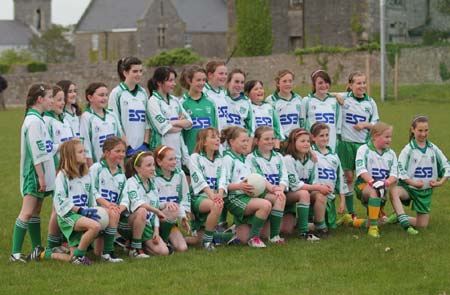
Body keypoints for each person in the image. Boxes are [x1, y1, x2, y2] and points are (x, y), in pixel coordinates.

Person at [10, 83, 56, 263]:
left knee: (36, 211)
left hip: (39, 173)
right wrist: (41, 176)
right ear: (39, 99)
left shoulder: (39, 119)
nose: (51, 101)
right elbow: (37, 152)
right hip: (34, 174)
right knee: (27, 212)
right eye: (50, 97)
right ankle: (15, 254)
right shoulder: (33, 121)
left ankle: (37, 248)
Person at [388, 116, 450, 233]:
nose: (423, 134)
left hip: (424, 192)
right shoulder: (408, 150)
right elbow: (400, 170)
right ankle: (405, 223)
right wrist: (413, 183)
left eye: (426, 130)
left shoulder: (433, 149)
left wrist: (440, 182)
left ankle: (398, 217)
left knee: (422, 226)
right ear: (413, 130)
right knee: (394, 191)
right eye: (420, 130)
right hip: (409, 188)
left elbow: (447, 166)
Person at [335, 71, 379, 219]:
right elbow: (326, 94)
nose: (362, 86)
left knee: (367, 178)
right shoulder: (345, 97)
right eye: (358, 83)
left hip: (363, 146)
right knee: (348, 177)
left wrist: (366, 125)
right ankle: (352, 212)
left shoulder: (370, 102)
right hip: (346, 144)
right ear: (350, 85)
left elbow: (377, 124)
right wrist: (336, 96)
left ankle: (375, 209)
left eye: (364, 83)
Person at [343, 122, 398, 238]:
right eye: (386, 137)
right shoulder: (364, 149)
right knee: (374, 192)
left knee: (378, 221)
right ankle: (373, 230)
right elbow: (361, 170)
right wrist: (373, 183)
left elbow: (394, 174)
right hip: (363, 185)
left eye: (390, 137)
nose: (390, 140)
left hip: (382, 188)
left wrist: (386, 182)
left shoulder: (391, 154)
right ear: (375, 136)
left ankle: (350, 221)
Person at [219, 126, 271, 247]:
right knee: (265, 205)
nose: (246, 144)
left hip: (246, 196)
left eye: (247, 141)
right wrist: (239, 186)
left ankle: (231, 232)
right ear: (231, 142)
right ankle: (254, 239)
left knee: (241, 238)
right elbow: (222, 184)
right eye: (243, 141)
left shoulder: (245, 159)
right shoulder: (227, 159)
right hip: (234, 198)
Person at [53, 139, 101, 265]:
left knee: (70, 257)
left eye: (84, 151)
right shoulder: (62, 175)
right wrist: (80, 210)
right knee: (94, 226)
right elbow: (60, 200)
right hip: (68, 216)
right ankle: (79, 257)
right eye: (80, 152)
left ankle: (46, 254)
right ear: (70, 156)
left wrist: (93, 209)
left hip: (82, 214)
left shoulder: (87, 174)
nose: (84, 154)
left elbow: (91, 196)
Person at [282, 128, 330, 240]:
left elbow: (314, 181)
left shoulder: (311, 159)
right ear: (293, 143)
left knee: (320, 194)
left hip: (304, 194)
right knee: (286, 230)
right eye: (302, 141)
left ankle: (321, 227)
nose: (306, 144)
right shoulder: (288, 159)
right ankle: (303, 231)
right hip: (286, 196)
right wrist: (318, 187)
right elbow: (295, 185)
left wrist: (321, 188)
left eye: (308, 141)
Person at [44, 85, 75, 253]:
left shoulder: (64, 118)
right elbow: (46, 148)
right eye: (58, 99)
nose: (62, 103)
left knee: (64, 206)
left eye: (63, 99)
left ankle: (61, 242)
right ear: (50, 101)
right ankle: (51, 246)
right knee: (57, 208)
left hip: (69, 169)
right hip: (57, 170)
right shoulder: (47, 121)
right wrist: (62, 146)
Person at [121, 151, 169, 257]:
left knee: (164, 252)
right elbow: (138, 203)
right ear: (138, 169)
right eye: (148, 165)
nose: (153, 168)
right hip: (130, 224)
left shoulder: (152, 184)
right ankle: (135, 249)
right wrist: (157, 211)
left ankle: (138, 244)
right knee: (142, 211)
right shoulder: (131, 182)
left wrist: (156, 231)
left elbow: (155, 208)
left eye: (153, 165)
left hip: (148, 224)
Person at [245, 126, 287, 244]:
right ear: (257, 141)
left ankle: (274, 236)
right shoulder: (251, 158)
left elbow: (284, 175)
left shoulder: (279, 157)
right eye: (266, 139)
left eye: (272, 138)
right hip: (260, 193)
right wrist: (275, 190)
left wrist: (281, 189)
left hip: (276, 191)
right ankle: (272, 235)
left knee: (280, 198)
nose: (270, 141)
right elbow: (260, 178)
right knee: (279, 198)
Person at [89, 136, 127, 262]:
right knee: (96, 252)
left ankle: (108, 252)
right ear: (106, 152)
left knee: (113, 212)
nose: (121, 154)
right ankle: (106, 251)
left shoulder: (121, 174)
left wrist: (119, 208)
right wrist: (106, 204)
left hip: (113, 212)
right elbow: (91, 190)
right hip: (95, 209)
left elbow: (125, 197)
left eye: (123, 151)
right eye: (118, 151)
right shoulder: (96, 168)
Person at [187, 127, 224, 250]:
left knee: (197, 240)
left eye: (218, 136)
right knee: (216, 205)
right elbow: (199, 180)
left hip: (213, 197)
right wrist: (212, 196)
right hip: (198, 197)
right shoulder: (195, 157)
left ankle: (210, 237)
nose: (217, 139)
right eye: (213, 137)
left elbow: (223, 180)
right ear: (203, 142)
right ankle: (208, 243)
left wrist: (219, 194)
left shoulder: (220, 159)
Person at [147, 67, 192, 168]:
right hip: (161, 155)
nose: (174, 84)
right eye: (170, 80)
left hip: (177, 154)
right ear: (159, 82)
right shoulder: (153, 102)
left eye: (174, 80)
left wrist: (172, 122)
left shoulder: (175, 100)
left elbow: (189, 122)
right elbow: (164, 128)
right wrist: (180, 124)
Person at [310, 122, 349, 237]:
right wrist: (310, 151)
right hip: (315, 195)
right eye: (321, 136)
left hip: (330, 198)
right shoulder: (310, 154)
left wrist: (342, 201)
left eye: (327, 135)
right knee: (316, 225)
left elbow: (340, 179)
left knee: (331, 226)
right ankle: (305, 222)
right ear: (313, 137)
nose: (325, 138)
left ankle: (349, 220)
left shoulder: (334, 156)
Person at [108, 57, 149, 158]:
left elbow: (147, 121)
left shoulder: (143, 92)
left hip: (142, 147)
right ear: (125, 73)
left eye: (140, 71)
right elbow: (115, 122)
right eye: (134, 71)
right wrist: (127, 146)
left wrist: (145, 143)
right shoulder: (116, 93)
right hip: (125, 149)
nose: (138, 74)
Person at [154, 145, 191, 252]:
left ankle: (166, 238)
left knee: (182, 248)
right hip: (155, 219)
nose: (174, 162)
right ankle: (164, 242)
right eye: (170, 159)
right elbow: (150, 202)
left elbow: (185, 197)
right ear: (159, 162)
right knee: (172, 208)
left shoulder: (180, 174)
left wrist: (183, 216)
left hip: (172, 218)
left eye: (175, 159)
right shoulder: (153, 176)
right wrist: (165, 204)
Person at [80, 82, 122, 166]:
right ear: (90, 97)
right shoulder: (86, 117)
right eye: (101, 95)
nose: (105, 98)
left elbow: (119, 142)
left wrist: (121, 167)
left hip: (114, 165)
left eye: (106, 95)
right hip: (97, 165)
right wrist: (91, 168)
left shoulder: (112, 115)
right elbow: (86, 145)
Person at [179, 65, 218, 155]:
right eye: (198, 80)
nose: (202, 83)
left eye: (204, 80)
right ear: (189, 81)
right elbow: (181, 134)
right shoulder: (182, 103)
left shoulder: (210, 102)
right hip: (190, 154)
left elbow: (215, 128)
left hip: (208, 154)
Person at [301, 70, 341, 152]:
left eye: (326, 82)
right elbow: (302, 125)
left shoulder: (335, 101)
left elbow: (337, 125)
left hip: (331, 144)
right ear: (314, 85)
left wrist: (336, 94)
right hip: (313, 146)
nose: (324, 85)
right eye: (320, 83)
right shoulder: (307, 101)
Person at [265, 69, 303, 141]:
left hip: (296, 140)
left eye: (290, 81)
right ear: (278, 83)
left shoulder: (298, 99)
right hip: (280, 141)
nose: (288, 84)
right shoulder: (270, 100)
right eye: (284, 81)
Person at [245, 80, 284, 151]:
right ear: (248, 93)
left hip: (270, 145)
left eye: (261, 88)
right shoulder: (247, 107)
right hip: (254, 146)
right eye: (256, 89)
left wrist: (276, 147)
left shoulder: (269, 107)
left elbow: (277, 127)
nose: (259, 91)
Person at [224, 69, 254, 137]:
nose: (239, 85)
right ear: (228, 82)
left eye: (242, 82)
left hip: (238, 143)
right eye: (236, 82)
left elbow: (250, 128)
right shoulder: (221, 97)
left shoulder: (247, 102)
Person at [204, 61, 228, 133]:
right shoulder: (203, 92)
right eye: (221, 74)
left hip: (223, 138)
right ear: (210, 75)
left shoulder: (224, 93)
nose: (224, 76)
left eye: (226, 74)